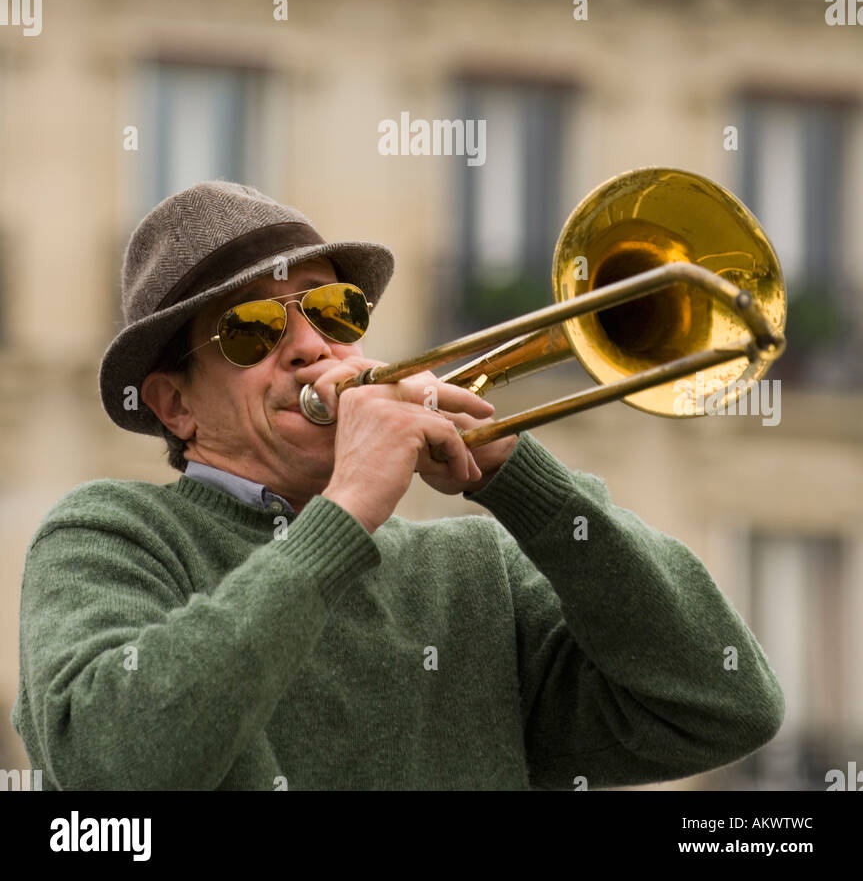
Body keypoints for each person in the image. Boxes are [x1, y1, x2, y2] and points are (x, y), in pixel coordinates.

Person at [12, 180, 784, 791]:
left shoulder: (477, 570)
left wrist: (528, 485)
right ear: (174, 404)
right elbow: (114, 768)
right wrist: (346, 513)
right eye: (252, 329)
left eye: (332, 311)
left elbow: (724, 707)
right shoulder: (110, 533)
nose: (311, 346)